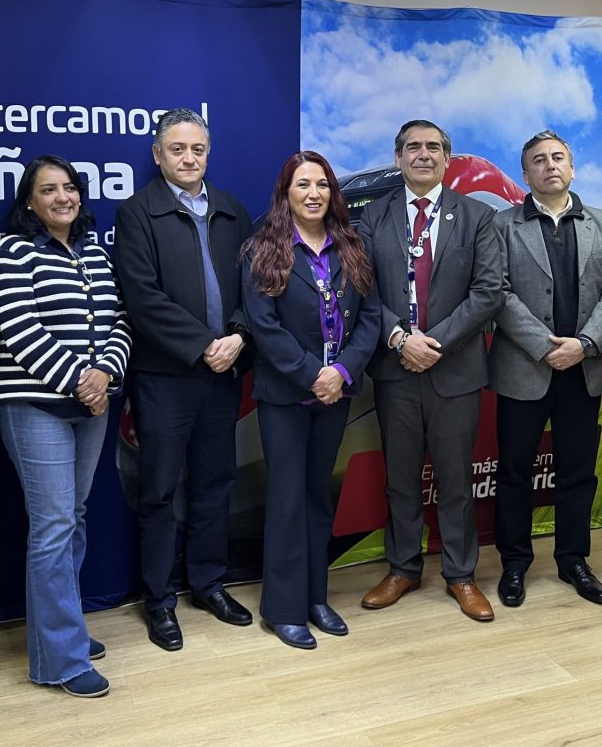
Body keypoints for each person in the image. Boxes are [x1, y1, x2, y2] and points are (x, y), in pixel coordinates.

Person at [0, 155, 132, 696]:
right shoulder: (11, 253)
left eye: (69, 187)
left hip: (92, 404)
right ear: (30, 201)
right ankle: (62, 661)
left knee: (73, 517)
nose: (62, 197)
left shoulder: (94, 253)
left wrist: (106, 372)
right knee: (52, 525)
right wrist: (80, 382)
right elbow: (21, 331)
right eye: (48, 189)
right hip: (35, 406)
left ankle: (61, 632)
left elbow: (120, 321)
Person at [115, 108, 253, 652]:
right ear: (157, 154)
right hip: (165, 378)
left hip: (225, 372)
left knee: (215, 483)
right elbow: (142, 298)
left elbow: (254, 287)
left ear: (208, 153)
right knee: (159, 490)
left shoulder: (233, 211)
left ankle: (208, 583)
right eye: (177, 149)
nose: (188, 158)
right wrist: (202, 345)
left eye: (197, 149)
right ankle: (158, 599)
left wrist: (238, 335)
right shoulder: (136, 214)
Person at [358, 119, 502, 622]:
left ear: (447, 157)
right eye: (413, 147)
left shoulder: (477, 216)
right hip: (395, 370)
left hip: (455, 370)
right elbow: (362, 288)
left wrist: (432, 343)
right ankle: (403, 568)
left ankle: (461, 575)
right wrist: (401, 339)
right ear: (398, 157)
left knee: (456, 480)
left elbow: (488, 291)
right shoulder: (372, 216)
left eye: (433, 147)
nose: (424, 154)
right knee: (400, 479)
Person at [241, 152, 381, 649]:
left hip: (336, 393)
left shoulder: (352, 247)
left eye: (322, 184)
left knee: (318, 495)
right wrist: (312, 375)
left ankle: (316, 597)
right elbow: (264, 327)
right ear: (286, 193)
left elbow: (371, 318)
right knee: (286, 498)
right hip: (286, 397)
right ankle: (283, 608)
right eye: (302, 184)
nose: (314, 193)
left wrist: (341, 372)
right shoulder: (263, 249)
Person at [488, 130, 602, 608]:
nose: (550, 165)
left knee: (577, 473)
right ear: (525, 173)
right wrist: (543, 347)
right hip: (523, 370)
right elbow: (498, 291)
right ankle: (514, 563)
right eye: (538, 160)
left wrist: (584, 344)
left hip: (583, 370)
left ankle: (573, 559)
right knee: (514, 473)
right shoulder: (502, 225)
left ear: (571, 167)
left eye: (558, 157)